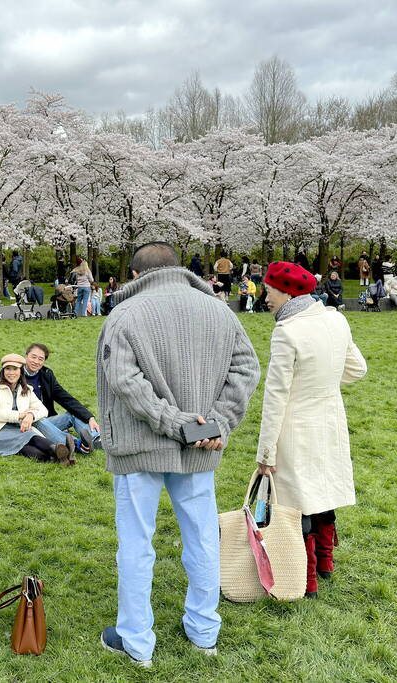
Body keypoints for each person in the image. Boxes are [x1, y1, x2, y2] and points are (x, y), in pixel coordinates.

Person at [96, 242, 260, 667]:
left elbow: (124, 380)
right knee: (203, 538)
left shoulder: (125, 314)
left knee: (137, 543)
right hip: (198, 443)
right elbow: (247, 369)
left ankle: (136, 640)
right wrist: (213, 423)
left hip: (143, 444)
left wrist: (186, 425)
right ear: (177, 268)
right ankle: (204, 631)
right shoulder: (220, 310)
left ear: (136, 274)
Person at [255, 261, 367, 599]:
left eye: (270, 291)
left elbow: (275, 398)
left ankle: (307, 578)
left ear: (288, 292)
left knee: (295, 500)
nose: (266, 298)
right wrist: (324, 384)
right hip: (330, 420)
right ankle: (324, 562)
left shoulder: (286, 331)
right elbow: (357, 368)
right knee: (321, 489)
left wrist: (265, 453)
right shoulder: (336, 318)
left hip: (294, 427)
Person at [0, 342, 97, 455]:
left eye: (41, 359)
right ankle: (79, 445)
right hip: (24, 424)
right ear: (26, 356)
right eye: (33, 357)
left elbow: (65, 398)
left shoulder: (46, 375)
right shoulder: (13, 371)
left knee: (71, 414)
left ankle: (96, 439)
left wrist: (89, 417)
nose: (36, 361)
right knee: (38, 421)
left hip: (43, 418)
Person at [0, 354, 75, 465]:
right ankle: (57, 451)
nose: (11, 373)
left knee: (26, 446)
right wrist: (21, 415)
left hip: (18, 429)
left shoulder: (27, 389)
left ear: (21, 371)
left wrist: (30, 414)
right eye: (8, 369)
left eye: (15, 369)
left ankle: (55, 458)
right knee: (29, 436)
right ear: (3, 371)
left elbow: (43, 410)